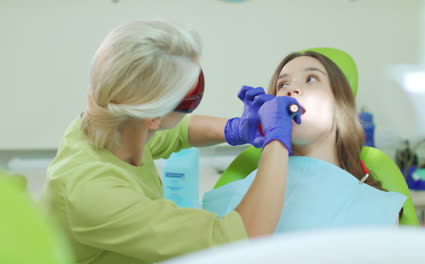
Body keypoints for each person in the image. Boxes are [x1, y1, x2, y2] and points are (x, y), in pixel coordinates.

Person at [39, 19, 302, 264]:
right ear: (153, 116)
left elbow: (177, 132)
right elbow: (239, 237)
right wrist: (276, 141)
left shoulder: (109, 122)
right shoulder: (92, 193)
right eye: (189, 94)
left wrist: (235, 128)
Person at [203, 48, 407, 231]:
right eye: (282, 84)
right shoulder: (239, 196)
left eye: (311, 79)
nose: (291, 90)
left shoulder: (378, 209)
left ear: (339, 105)